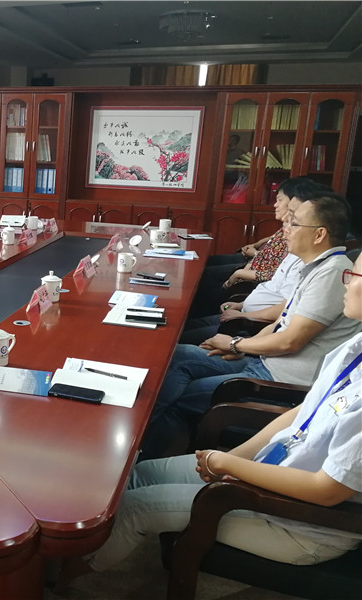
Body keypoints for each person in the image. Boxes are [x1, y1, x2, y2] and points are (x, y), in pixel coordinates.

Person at [81, 251, 362, 576]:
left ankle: (61, 576)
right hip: (270, 468)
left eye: (354, 276)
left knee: (137, 509)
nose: (346, 283)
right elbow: (303, 411)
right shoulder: (354, 347)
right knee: (140, 474)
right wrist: (236, 458)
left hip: (300, 522)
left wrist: (228, 465)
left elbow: (327, 490)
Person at [141, 194, 361, 460]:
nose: (286, 230)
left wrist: (236, 343)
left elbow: (290, 340)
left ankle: (144, 457)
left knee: (181, 395)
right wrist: (243, 348)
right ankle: (143, 433)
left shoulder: (332, 273)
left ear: (319, 234)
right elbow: (280, 324)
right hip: (264, 362)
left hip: (278, 382)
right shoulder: (316, 267)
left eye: (295, 224)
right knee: (180, 355)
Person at [188, 178, 322, 318]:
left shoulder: (299, 245)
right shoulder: (290, 233)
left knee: (200, 288)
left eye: (280, 200)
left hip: (249, 295)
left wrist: (250, 262)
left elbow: (284, 303)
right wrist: (255, 248)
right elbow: (272, 243)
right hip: (248, 292)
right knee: (204, 271)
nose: (275, 204)